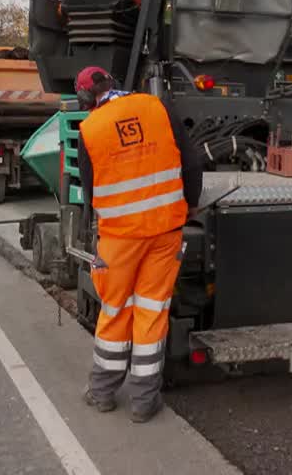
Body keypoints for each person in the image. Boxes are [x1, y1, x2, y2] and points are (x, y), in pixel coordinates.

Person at [75, 66, 201, 422]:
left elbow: (90, 192)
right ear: (113, 84)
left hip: (119, 239)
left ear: (87, 101)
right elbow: (190, 163)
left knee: (114, 308)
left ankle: (102, 392)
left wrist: (92, 228)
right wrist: (188, 205)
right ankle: (145, 401)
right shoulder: (156, 106)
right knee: (151, 309)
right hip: (165, 232)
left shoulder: (90, 130)